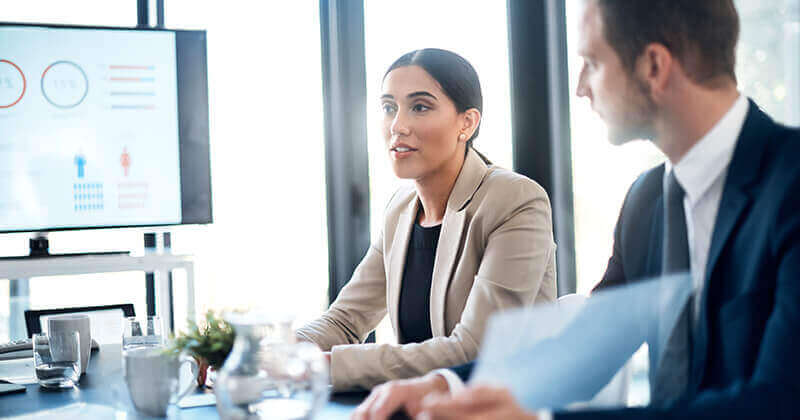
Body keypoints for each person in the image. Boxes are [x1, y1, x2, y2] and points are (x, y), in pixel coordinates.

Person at [353, 1, 800, 419]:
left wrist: (544, 416)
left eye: (593, 62)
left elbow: (780, 400)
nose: (581, 86)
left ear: (654, 67)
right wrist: (445, 385)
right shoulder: (648, 201)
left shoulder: (791, 184)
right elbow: (586, 347)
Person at [296, 48, 557, 391]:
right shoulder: (401, 209)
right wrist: (270, 354)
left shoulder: (515, 200)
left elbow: (475, 349)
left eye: (420, 107)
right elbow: (345, 320)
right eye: (389, 108)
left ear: (467, 123)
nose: (398, 126)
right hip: (418, 408)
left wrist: (325, 366)